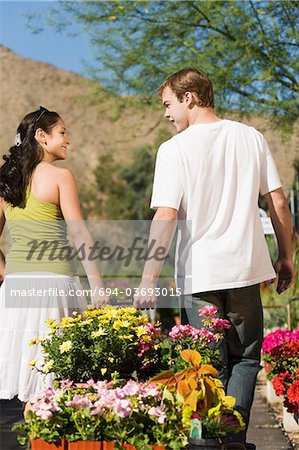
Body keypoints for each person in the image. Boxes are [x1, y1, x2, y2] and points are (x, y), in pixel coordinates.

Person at [133, 68, 295, 448]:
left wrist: (147, 279)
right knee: (244, 360)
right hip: (245, 273)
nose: (167, 114)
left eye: (169, 104)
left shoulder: (174, 149)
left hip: (200, 277)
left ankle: (207, 444)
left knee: (204, 367)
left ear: (189, 98)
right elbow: (278, 201)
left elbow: (166, 216)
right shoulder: (250, 137)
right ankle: (234, 441)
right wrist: (286, 257)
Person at [0, 106, 108, 412]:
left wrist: (7, 273)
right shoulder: (61, 176)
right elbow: (80, 234)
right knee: (56, 378)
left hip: (16, 289)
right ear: (41, 137)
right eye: (62, 133)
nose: (68, 140)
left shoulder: (8, 182)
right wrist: (97, 286)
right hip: (55, 285)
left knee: (28, 377)